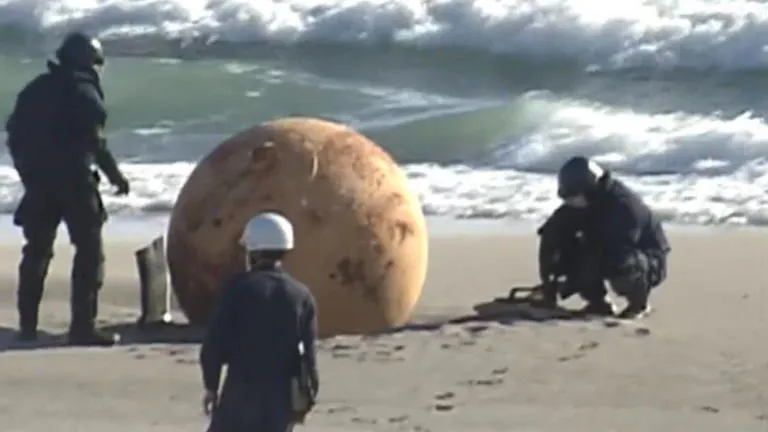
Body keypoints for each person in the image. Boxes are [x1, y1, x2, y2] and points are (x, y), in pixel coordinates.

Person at [4, 31, 130, 345]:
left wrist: (29, 176)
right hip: (75, 183)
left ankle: (27, 327)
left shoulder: (35, 90)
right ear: (88, 63)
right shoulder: (84, 92)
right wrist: (116, 177)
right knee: (89, 253)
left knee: (36, 253)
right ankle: (82, 328)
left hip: (39, 184)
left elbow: (14, 137)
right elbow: (95, 142)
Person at [200, 212, 319, 432]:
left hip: (239, 393)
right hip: (280, 398)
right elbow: (309, 358)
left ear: (252, 252)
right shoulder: (302, 295)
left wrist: (211, 387)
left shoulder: (236, 289)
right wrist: (306, 398)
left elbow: (213, 346)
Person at [536, 156, 671, 319]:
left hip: (647, 259)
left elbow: (615, 247)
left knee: (620, 260)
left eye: (572, 196)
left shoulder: (624, 206)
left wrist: (571, 281)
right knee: (568, 250)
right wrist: (549, 282)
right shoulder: (578, 205)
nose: (569, 202)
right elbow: (550, 238)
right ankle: (599, 304)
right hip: (603, 249)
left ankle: (638, 304)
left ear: (588, 189)